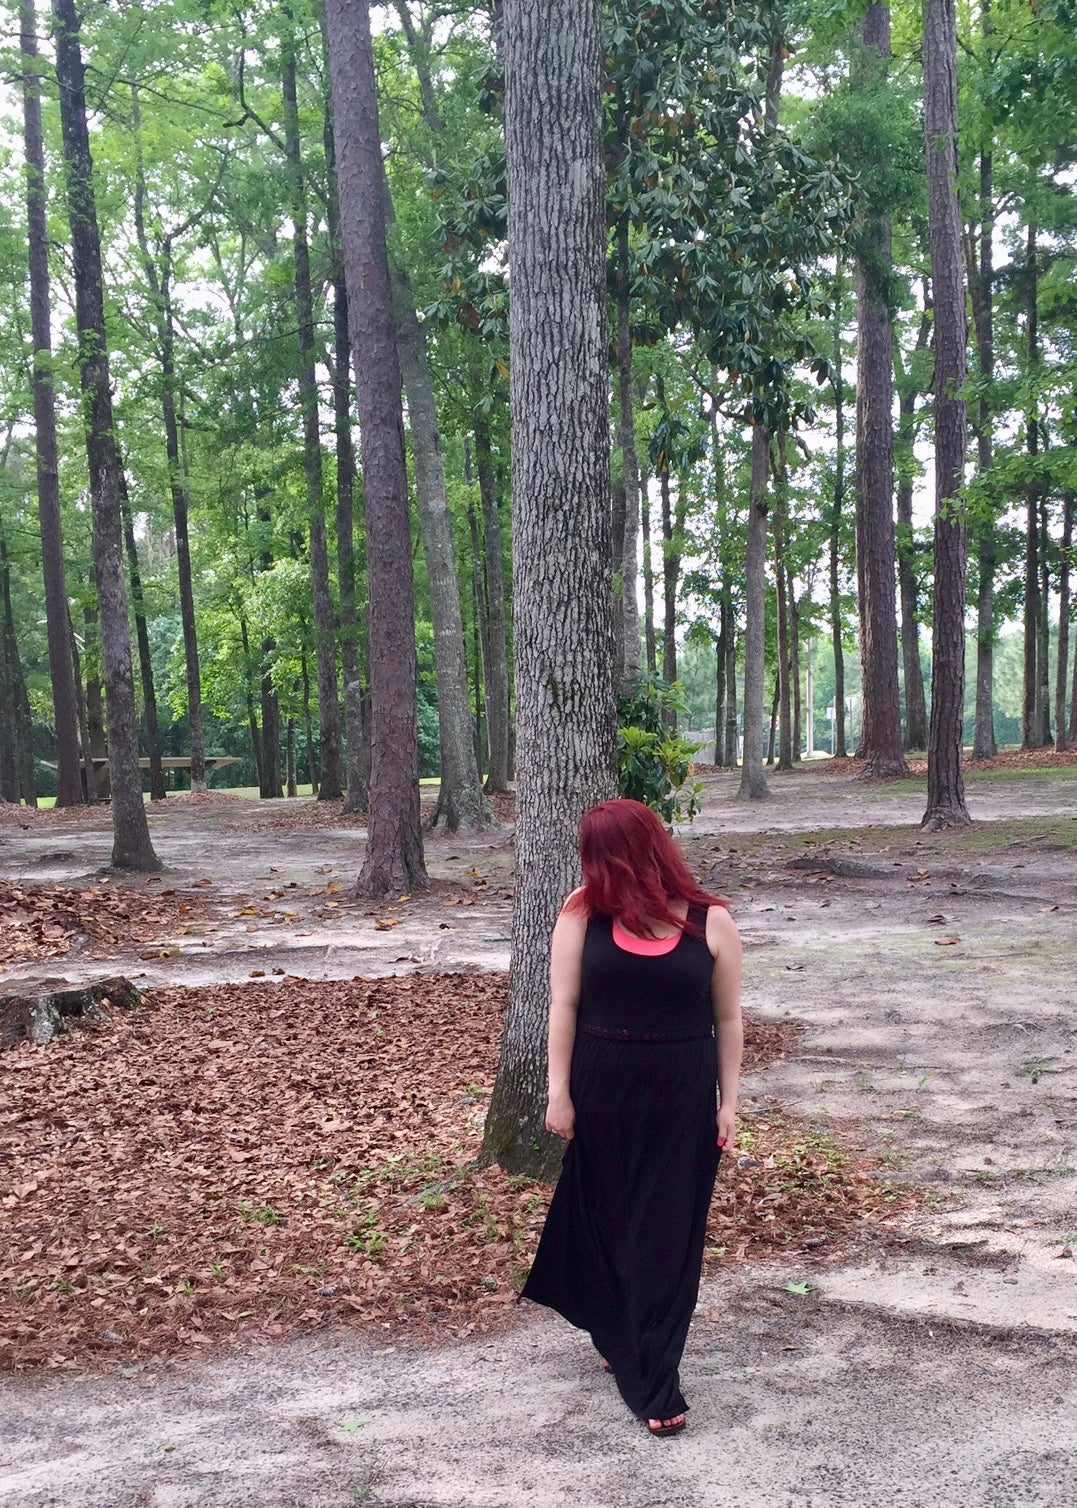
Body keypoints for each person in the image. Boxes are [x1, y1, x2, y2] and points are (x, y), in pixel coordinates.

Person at [521, 797, 743, 1438]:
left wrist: (729, 1102)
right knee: (606, 1221)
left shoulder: (710, 920)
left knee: (668, 1235)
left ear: (647, 849)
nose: (599, 867)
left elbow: (727, 1018)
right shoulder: (580, 913)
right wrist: (557, 1092)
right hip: (603, 1093)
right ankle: (615, 1328)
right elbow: (563, 1006)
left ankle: (653, 1377)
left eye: (605, 854)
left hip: (681, 1098)